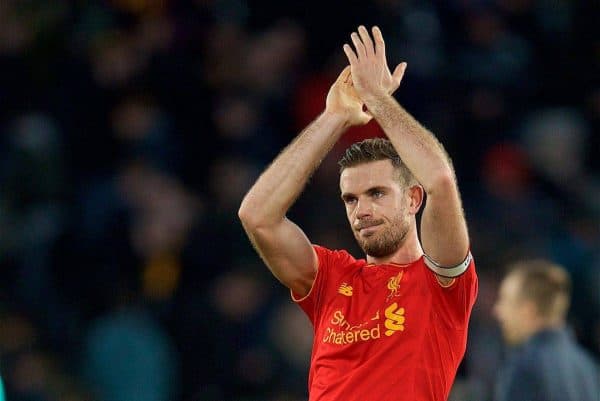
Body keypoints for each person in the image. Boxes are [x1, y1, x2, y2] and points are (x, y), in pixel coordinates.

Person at [239, 25, 478, 401]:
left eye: (377, 193)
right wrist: (335, 116)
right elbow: (257, 217)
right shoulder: (331, 279)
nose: (362, 210)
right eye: (351, 199)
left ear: (413, 199)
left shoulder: (441, 283)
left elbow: (441, 181)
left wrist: (378, 99)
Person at [493, 260, 600, 401]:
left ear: (527, 311)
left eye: (505, 300)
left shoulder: (524, 369)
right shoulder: (587, 367)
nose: (497, 311)